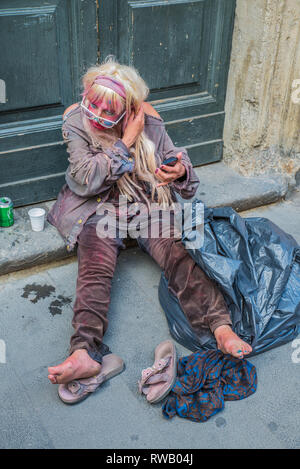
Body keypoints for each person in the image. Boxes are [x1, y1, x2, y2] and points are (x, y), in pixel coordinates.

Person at [47, 57, 252, 386]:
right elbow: (86, 179)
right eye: (94, 107)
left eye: (108, 112)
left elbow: (182, 170)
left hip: (144, 205)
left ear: (129, 107)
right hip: (97, 206)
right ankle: (84, 351)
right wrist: (126, 141)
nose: (98, 118)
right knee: (94, 265)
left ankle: (220, 327)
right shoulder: (76, 120)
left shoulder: (149, 120)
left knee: (179, 254)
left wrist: (179, 170)